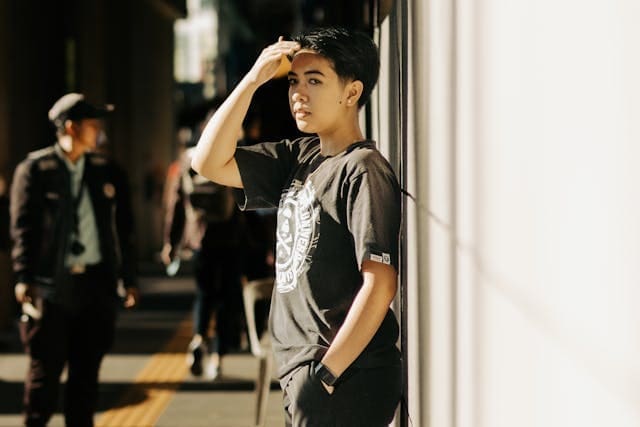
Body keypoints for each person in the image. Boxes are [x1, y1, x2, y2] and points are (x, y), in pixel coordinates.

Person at [191, 26, 402, 426]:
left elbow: (380, 283)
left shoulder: (362, 170)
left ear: (352, 93)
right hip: (307, 373)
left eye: (315, 81)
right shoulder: (301, 157)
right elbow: (207, 162)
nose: (298, 94)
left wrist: (326, 374)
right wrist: (253, 79)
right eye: (293, 81)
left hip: (343, 377)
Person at [10, 92, 139, 427]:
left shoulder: (106, 171)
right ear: (71, 127)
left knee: (85, 382)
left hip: (95, 286)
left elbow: (124, 230)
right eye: (93, 125)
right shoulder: (35, 170)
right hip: (51, 288)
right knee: (44, 381)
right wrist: (24, 277)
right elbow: (23, 228)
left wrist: (128, 277)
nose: (99, 132)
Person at [161, 108, 245, 380]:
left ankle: (198, 337)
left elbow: (175, 205)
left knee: (204, 293)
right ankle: (218, 357)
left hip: (199, 239)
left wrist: (170, 243)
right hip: (231, 238)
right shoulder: (235, 155)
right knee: (226, 298)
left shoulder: (188, 158)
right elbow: (250, 205)